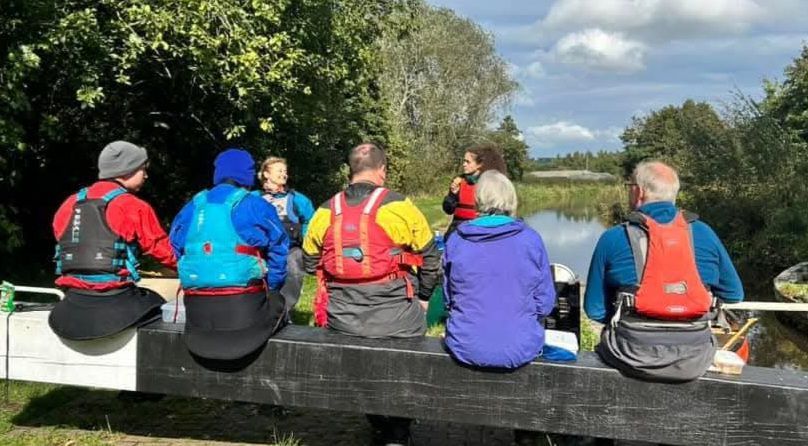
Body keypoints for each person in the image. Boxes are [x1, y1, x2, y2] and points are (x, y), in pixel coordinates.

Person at [302, 142, 441, 446]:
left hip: (343, 317)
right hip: (397, 317)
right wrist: (424, 296)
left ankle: (377, 420)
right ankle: (398, 431)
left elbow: (310, 261)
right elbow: (431, 259)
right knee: (406, 358)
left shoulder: (325, 210)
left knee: (359, 362)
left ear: (350, 170)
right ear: (382, 170)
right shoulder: (400, 206)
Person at [584, 160, 744, 382]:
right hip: (695, 357)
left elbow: (594, 309)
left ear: (638, 192)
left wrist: (631, 312)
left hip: (630, 354)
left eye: (629, 185)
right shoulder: (704, 233)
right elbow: (734, 294)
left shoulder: (613, 238)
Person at [50, 140, 177, 340]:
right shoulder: (133, 206)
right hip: (115, 300)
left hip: (71, 301)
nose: (146, 175)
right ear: (127, 170)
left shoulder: (70, 203)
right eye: (142, 169)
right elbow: (164, 252)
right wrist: (193, 269)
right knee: (161, 302)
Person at [170, 148, 289, 361]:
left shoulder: (192, 206)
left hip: (197, 309)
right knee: (278, 301)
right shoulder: (256, 205)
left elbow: (175, 248)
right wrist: (272, 287)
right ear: (248, 175)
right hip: (244, 309)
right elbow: (279, 247)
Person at [443, 170, 556, 369]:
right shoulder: (531, 240)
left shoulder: (456, 240)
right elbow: (545, 303)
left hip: (464, 346)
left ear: (477, 201)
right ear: (511, 200)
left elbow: (449, 299)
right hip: (521, 348)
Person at [258, 156, 315, 312]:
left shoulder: (298, 199)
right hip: (260, 251)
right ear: (266, 174)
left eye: (285, 171)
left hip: (290, 249)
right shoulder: (255, 198)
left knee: (294, 264)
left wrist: (306, 242)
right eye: (279, 171)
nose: (284, 174)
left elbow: (310, 221)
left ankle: (284, 312)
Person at [442, 144, 508, 238]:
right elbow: (448, 210)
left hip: (480, 231)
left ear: (479, 165)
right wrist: (453, 194)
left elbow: (499, 214)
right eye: (464, 161)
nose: (464, 164)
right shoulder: (458, 181)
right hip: (458, 230)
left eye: (468, 162)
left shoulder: (490, 184)